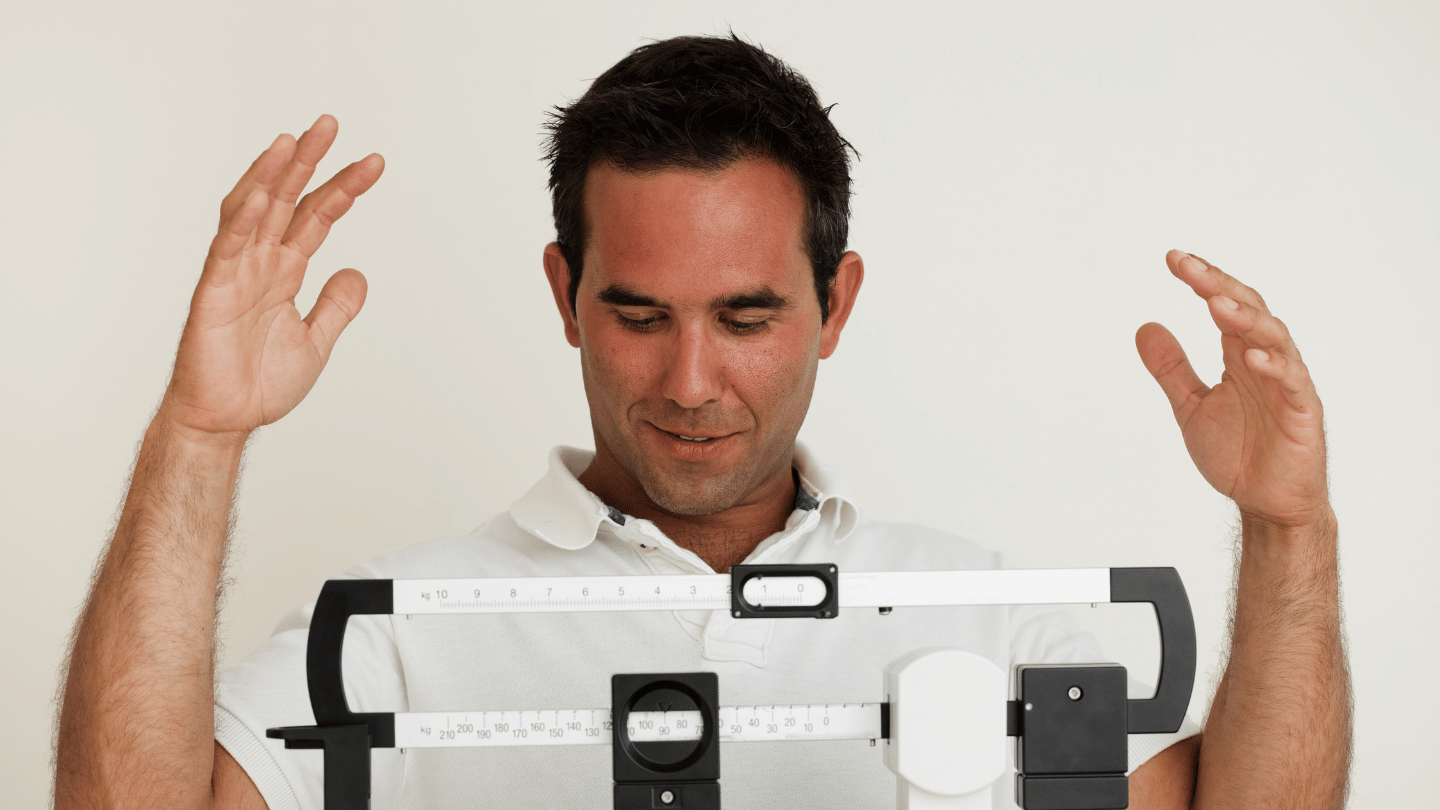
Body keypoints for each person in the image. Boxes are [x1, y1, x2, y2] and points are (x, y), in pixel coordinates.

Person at [54, 33, 1349, 810]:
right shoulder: (397, 639)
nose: (686, 380)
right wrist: (200, 435)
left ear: (834, 301)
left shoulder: (984, 616)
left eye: (743, 315)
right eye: (636, 311)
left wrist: (1287, 524)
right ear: (564, 293)